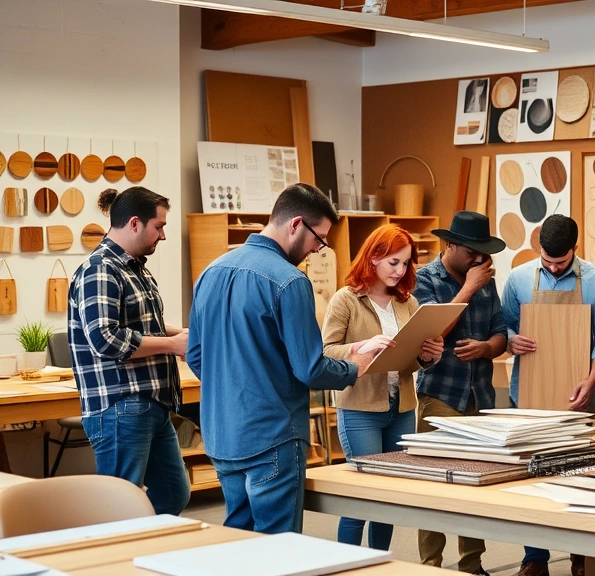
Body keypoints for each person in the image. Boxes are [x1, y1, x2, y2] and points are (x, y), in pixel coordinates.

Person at [186, 183, 384, 534]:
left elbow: (196, 356)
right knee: (279, 549)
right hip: (272, 436)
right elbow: (310, 368)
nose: (317, 250)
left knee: (239, 539)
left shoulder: (210, 272)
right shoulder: (290, 281)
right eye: (318, 239)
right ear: (295, 225)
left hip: (221, 434)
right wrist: (356, 367)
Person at [502, 214, 595, 576]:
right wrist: (509, 339)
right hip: (529, 393)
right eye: (547, 260)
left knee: (578, 477)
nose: (553, 267)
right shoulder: (519, 278)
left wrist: (592, 378)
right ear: (539, 249)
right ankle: (534, 558)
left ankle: (580, 555)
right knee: (532, 479)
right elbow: (501, 325)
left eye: (561, 262)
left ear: (575, 250)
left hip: (578, 392)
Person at [68, 187, 190, 515]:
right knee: (117, 506)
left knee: (174, 494)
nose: (163, 235)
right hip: (121, 406)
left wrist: (181, 334)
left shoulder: (136, 268)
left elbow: (141, 326)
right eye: (159, 226)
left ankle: (144, 553)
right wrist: (171, 345)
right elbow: (106, 339)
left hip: (150, 403)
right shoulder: (100, 269)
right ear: (135, 223)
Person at [321, 224, 444, 550]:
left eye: (406, 263)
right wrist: (362, 347)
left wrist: (428, 356)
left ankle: (378, 566)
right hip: (360, 408)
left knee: (388, 499)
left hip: (402, 407)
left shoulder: (408, 302)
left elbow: (410, 359)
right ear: (373, 257)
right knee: (361, 498)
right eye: (394, 262)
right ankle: (344, 568)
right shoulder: (345, 299)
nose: (400, 270)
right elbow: (326, 352)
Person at [413, 210, 508, 576]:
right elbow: (431, 332)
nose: (480, 259)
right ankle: (431, 566)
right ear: (450, 245)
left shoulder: (486, 279)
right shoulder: (425, 279)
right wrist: (468, 287)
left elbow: (502, 333)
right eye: (472, 251)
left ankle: (472, 565)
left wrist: (487, 348)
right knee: (434, 486)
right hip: (439, 394)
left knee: (475, 485)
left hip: (480, 397)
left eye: (484, 253)